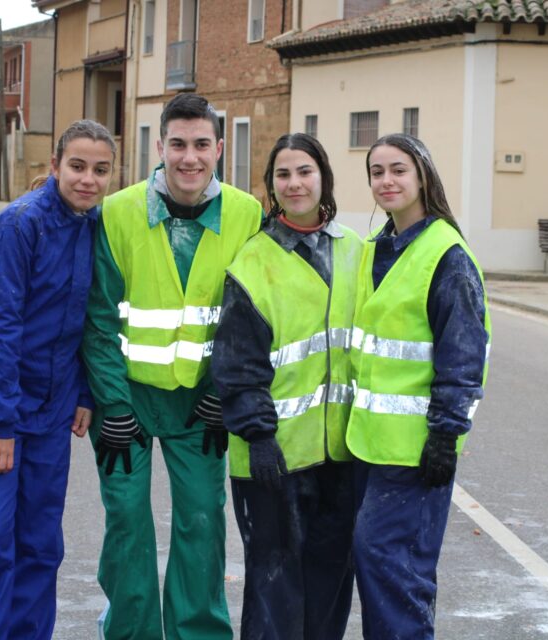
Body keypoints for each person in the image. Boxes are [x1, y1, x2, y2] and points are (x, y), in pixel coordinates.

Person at [82, 93, 262, 640]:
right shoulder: (118, 212)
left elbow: (250, 315)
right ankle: (132, 632)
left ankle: (198, 634)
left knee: (202, 524)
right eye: (178, 144)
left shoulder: (246, 213)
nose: (190, 158)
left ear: (219, 149)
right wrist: (111, 404)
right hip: (128, 402)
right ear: (159, 147)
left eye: (201, 145)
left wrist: (222, 390)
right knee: (128, 524)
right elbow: (99, 317)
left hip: (201, 405)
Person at [0, 120, 116, 640]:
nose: (87, 179)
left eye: (100, 169)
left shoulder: (92, 226)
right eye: (77, 166)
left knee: (41, 543)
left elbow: (87, 319)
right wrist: (0, 424)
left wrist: (84, 393)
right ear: (54, 167)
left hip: (51, 410)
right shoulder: (19, 226)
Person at [212, 133, 361, 640]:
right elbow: (236, 362)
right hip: (272, 456)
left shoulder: (356, 252)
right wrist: (258, 436)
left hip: (341, 455)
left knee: (331, 582)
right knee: (274, 587)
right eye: (283, 174)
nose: (294, 183)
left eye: (304, 171)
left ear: (324, 177)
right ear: (272, 187)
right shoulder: (253, 259)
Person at [347, 133, 491, 639]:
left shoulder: (446, 256)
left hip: (415, 451)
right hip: (370, 444)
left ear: (423, 176)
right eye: (376, 172)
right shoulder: (377, 249)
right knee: (383, 565)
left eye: (398, 170)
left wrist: (445, 435)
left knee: (393, 567)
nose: (386, 181)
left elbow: (465, 355)